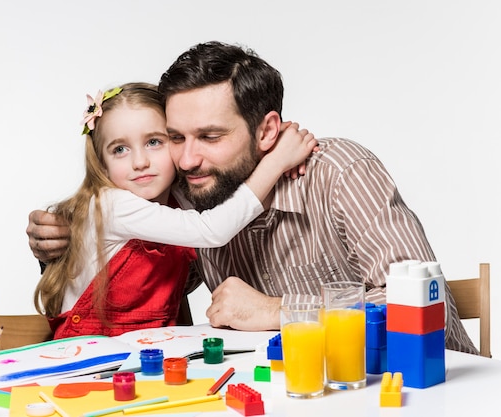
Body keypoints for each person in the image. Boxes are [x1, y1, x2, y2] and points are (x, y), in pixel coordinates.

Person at [28, 42, 477, 354]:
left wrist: (276, 311)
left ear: (266, 131)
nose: (186, 159)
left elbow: (422, 306)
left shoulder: (337, 172)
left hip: (423, 389)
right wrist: (65, 242)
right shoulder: (192, 194)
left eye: (210, 136)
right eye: (175, 138)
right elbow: (145, 280)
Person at [33, 81, 318, 338]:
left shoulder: (178, 197)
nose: (140, 162)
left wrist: (273, 143)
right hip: (88, 346)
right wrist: (275, 163)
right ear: (101, 163)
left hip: (148, 345)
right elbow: (212, 230)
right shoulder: (111, 204)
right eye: (120, 149)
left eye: (154, 142)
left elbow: (229, 193)